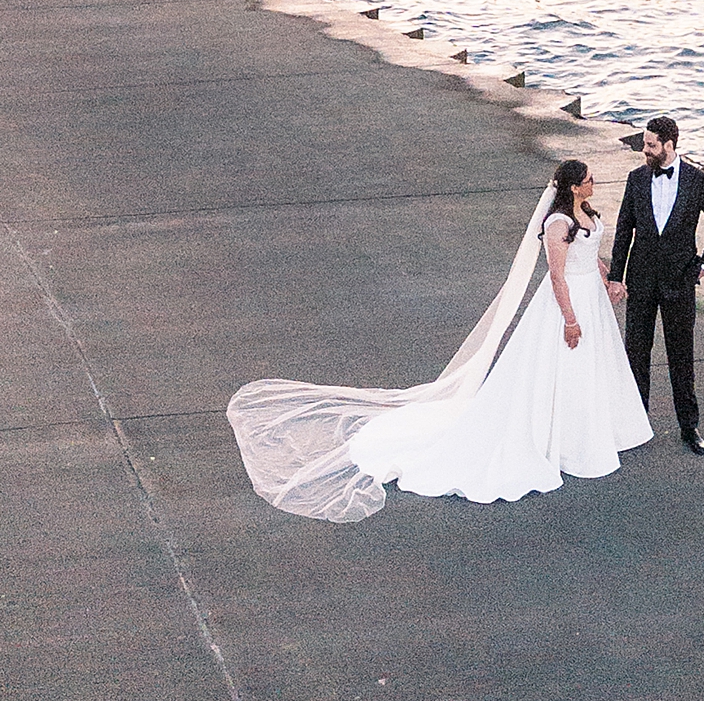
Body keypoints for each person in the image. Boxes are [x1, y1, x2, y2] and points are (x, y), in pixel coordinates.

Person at [226, 160, 652, 518]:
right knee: (559, 367)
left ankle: (588, 432)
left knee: (591, 369)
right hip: (569, 304)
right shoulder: (557, 223)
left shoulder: (588, 214)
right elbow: (557, 275)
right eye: (590, 178)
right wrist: (571, 320)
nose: (595, 182)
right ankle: (561, 439)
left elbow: (590, 253)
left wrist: (609, 279)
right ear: (575, 185)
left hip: (592, 297)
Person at [607, 115, 704, 456]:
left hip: (679, 281)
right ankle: (635, 422)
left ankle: (689, 427)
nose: (645, 149)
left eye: (650, 144)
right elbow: (623, 230)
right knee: (636, 354)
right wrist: (617, 275)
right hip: (641, 279)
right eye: (645, 143)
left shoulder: (697, 180)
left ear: (669, 145)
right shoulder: (635, 179)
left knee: (681, 356)